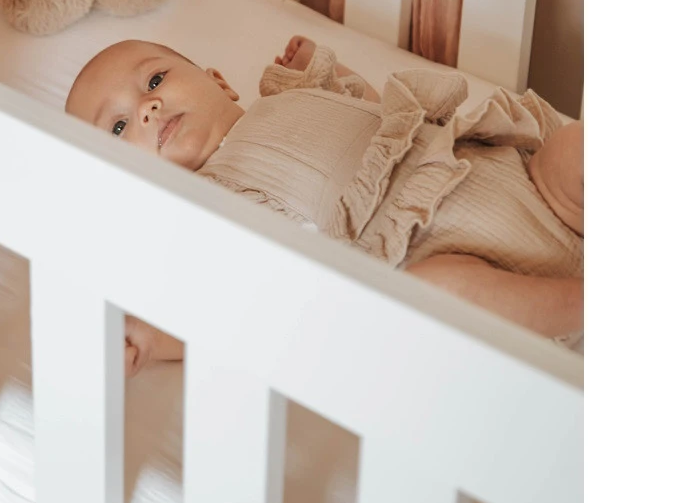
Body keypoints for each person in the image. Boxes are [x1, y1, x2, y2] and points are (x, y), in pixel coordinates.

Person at [66, 36, 583, 375]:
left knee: (572, 148)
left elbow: (385, 116)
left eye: (155, 80)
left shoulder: (284, 97)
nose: (148, 106)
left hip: (520, 180)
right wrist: (155, 341)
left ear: (218, 81)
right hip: (449, 258)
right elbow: (228, 307)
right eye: (119, 126)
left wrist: (332, 71)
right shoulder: (210, 210)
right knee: (435, 294)